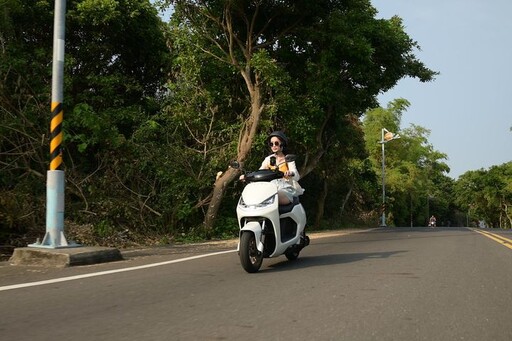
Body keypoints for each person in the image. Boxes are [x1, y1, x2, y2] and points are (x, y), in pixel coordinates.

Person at [240, 131, 303, 205]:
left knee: (274, 196)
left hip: (285, 188)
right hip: (270, 188)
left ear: (282, 144)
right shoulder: (268, 159)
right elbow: (260, 172)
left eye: (276, 143)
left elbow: (296, 176)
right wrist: (247, 177)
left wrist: (291, 173)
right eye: (271, 144)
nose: (273, 146)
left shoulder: (288, 159)